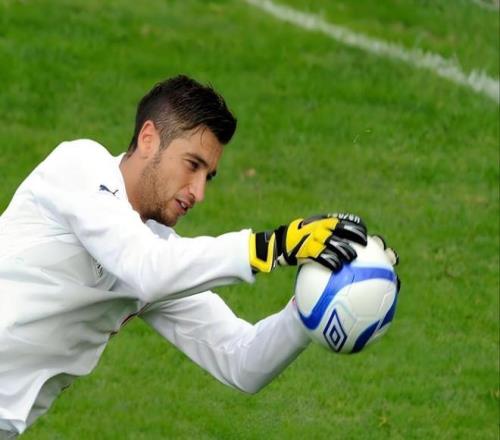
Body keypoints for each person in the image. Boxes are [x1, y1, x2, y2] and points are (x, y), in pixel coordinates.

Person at [0, 75, 386, 438]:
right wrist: (272, 247)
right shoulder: (80, 167)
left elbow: (243, 362)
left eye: (208, 176)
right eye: (192, 165)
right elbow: (145, 266)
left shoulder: (161, 256)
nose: (198, 192)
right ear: (148, 139)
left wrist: (312, 303)